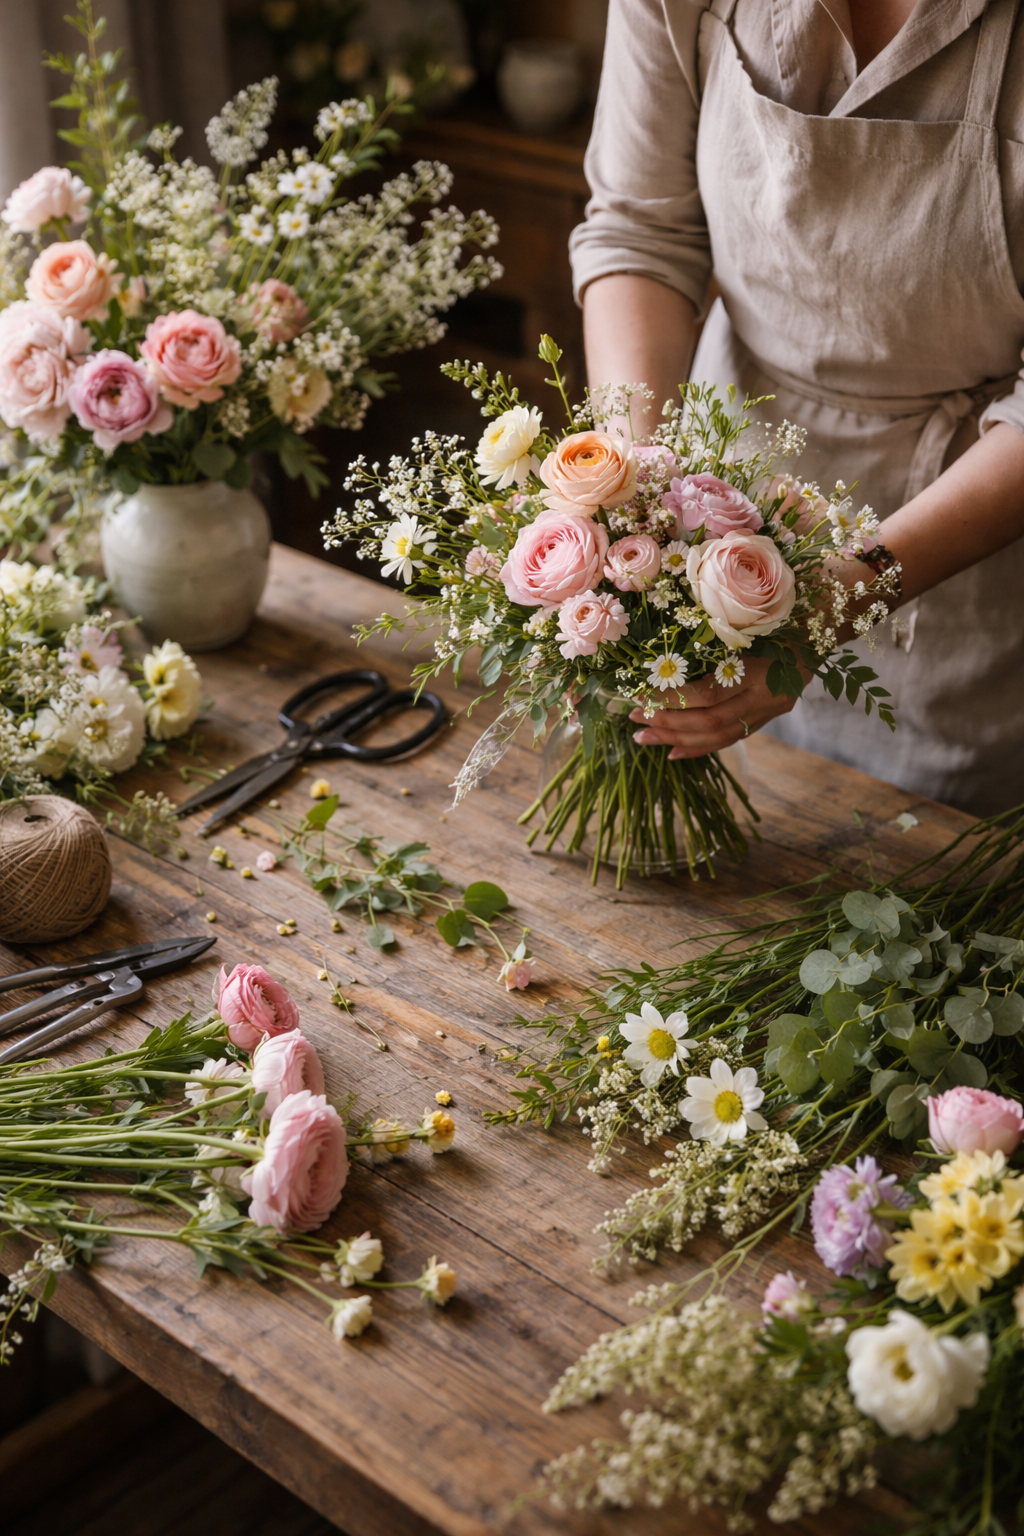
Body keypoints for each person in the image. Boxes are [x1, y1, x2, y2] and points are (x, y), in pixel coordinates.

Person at [571, 0, 1024, 815]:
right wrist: (640, 505)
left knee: (919, 861)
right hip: (725, 486)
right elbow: (641, 233)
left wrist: (829, 602)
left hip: (972, 564)